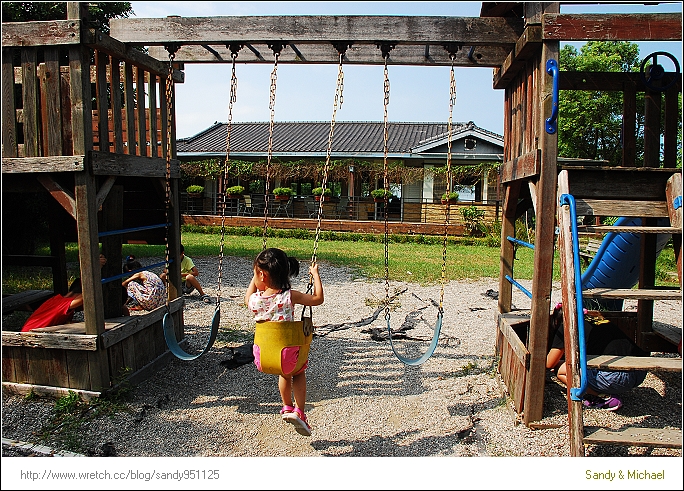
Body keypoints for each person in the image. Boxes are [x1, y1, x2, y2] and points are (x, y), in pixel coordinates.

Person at [245, 247, 324, 437]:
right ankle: (299, 412)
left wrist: (255, 279)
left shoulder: (254, 300)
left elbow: (248, 295)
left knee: (284, 372)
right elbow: (318, 299)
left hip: (263, 357)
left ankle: (287, 406)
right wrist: (315, 275)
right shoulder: (290, 296)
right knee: (297, 371)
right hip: (286, 356)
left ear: (262, 275)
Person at [546, 303, 648, 411]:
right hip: (640, 371)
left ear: (557, 320)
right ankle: (605, 390)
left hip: (618, 379)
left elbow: (549, 363)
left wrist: (555, 361)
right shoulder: (595, 319)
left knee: (561, 370)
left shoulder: (567, 325)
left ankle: (603, 398)